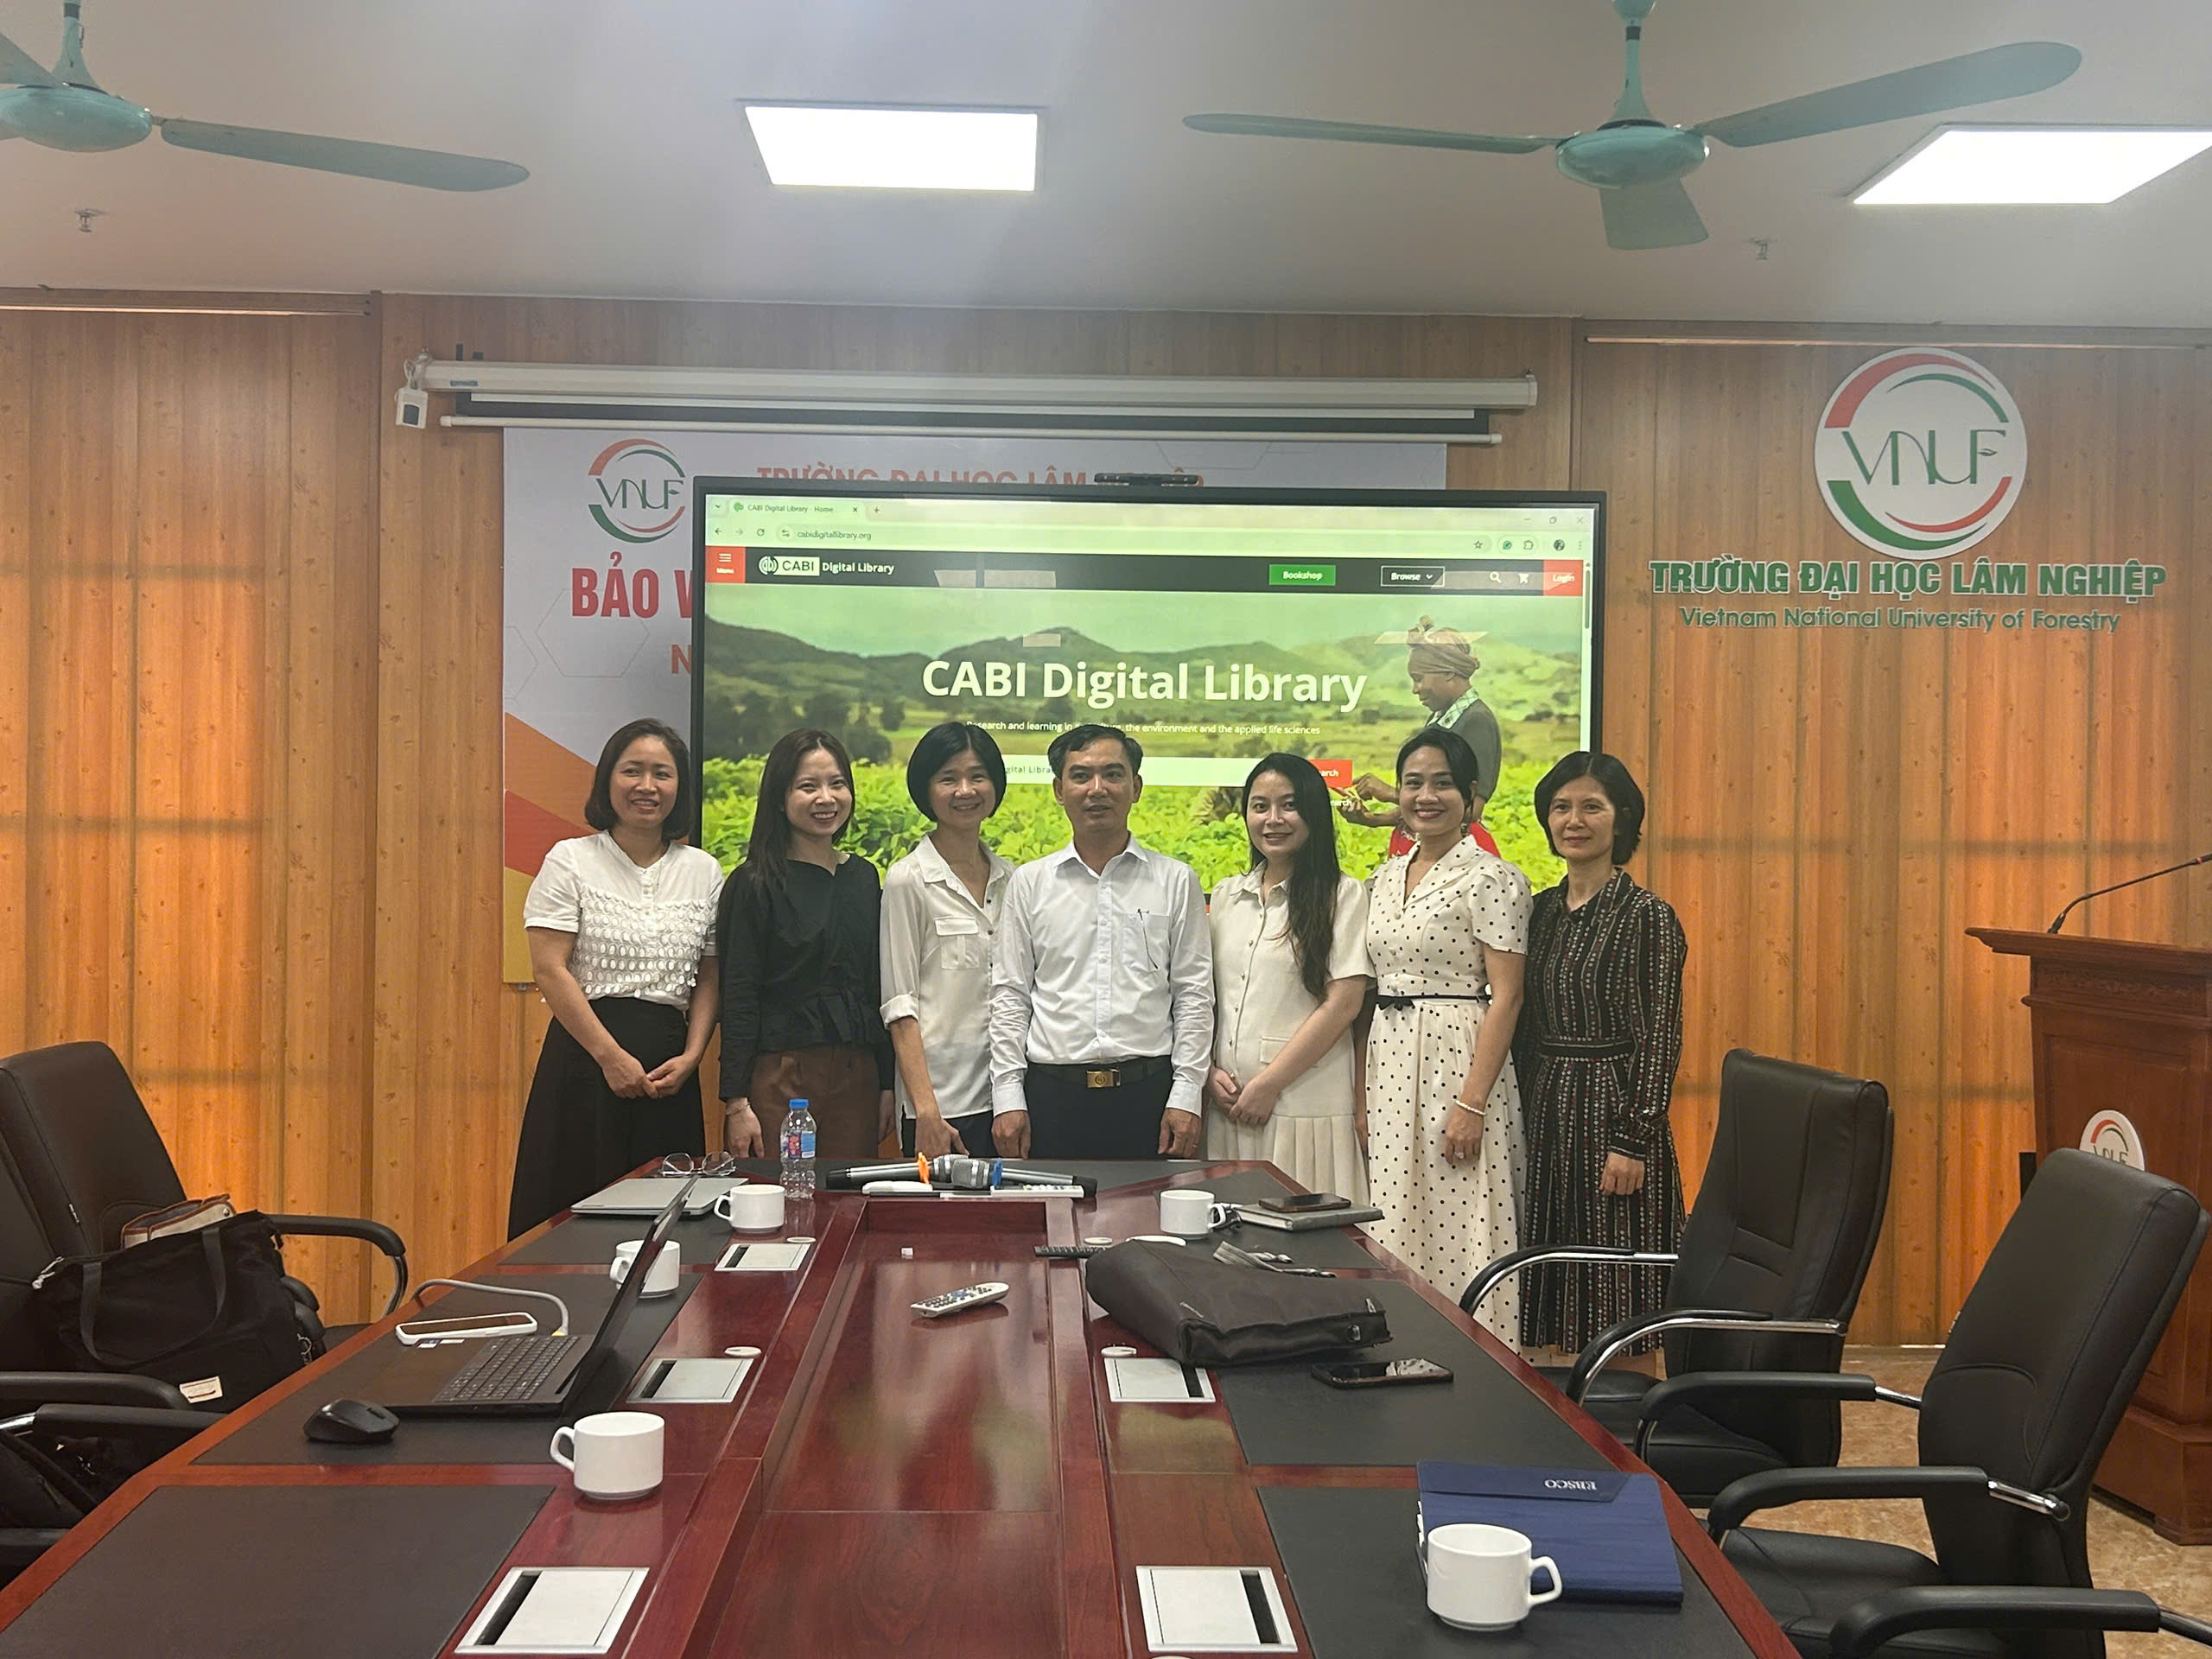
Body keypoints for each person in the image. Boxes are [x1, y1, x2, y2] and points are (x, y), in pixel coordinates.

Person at [507, 718, 721, 1236]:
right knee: (574, 1225)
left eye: (662, 774)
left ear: (680, 787)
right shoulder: (571, 859)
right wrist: (610, 1057)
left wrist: (693, 1056)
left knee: (668, 1228)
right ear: (607, 779)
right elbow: (549, 968)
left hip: (669, 1070)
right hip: (585, 1063)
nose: (647, 786)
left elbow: (710, 975)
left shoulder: (704, 870)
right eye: (632, 771)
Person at [1514, 752, 1687, 1366]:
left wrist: (1633, 1140)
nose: (1574, 820)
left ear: (1623, 818)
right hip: (1545, 1116)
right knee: (1549, 1285)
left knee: (1620, 1295)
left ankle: (1629, 1419)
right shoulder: (1538, 912)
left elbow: (1660, 1036)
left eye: (1592, 806)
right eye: (1561, 807)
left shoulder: (1648, 917)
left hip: (1614, 1119)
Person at [1362, 726, 1530, 1341]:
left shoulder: (1493, 877)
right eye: (1413, 783)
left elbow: (1507, 996)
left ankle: (1480, 1359)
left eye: (1442, 784)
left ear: (1471, 796)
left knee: (1464, 1213)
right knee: (1397, 1214)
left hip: (1458, 1057)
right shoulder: (1384, 877)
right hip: (1390, 1053)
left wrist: (1472, 1104)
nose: (1426, 796)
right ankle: (1403, 1350)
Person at [989, 724, 1211, 1160]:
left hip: (1149, 1097)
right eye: (1080, 776)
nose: (1097, 789)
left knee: (1150, 1207)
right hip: (1052, 1097)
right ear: (1059, 790)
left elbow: (1193, 995)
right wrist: (1008, 1095)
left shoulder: (1176, 881)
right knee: (1054, 1206)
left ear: (1136, 787)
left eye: (1112, 774)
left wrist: (1187, 1093)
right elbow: (1011, 996)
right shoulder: (1030, 883)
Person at [717, 728, 893, 1162]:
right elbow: (738, 993)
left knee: (848, 1195)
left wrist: (888, 1084)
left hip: (857, 1077)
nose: (826, 798)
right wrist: (736, 1102)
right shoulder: (754, 882)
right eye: (808, 786)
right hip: (779, 1079)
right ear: (780, 798)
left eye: (837, 784)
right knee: (776, 1194)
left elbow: (877, 986)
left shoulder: (863, 878)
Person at [1205, 753, 1373, 1200]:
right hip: (1229, 1104)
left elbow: (1344, 1004)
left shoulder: (1343, 895)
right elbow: (1206, 997)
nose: (1273, 819)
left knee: (1306, 1230)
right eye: (1260, 806)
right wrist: (1206, 1069)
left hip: (1304, 1102)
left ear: (1314, 813)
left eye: (1290, 806)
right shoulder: (1226, 895)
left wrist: (1269, 1084)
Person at [880, 722, 1016, 1160]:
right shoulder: (908, 880)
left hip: (1008, 1099)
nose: (965, 790)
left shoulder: (1012, 879)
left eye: (978, 776)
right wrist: (926, 1110)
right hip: (942, 1105)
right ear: (926, 789)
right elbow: (899, 1006)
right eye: (948, 778)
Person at [1341, 617, 1503, 858]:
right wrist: (1374, 820)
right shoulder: (1442, 717)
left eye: (1419, 678)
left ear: (1448, 673)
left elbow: (1470, 811)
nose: (1415, 689)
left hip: (1454, 858)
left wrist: (1391, 794)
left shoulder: (1476, 721)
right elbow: (1432, 810)